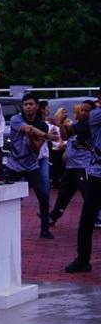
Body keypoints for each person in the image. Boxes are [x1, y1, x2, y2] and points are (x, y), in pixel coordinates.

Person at [5, 93, 52, 239]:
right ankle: (5, 227)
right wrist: (45, 136)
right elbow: (27, 129)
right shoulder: (16, 119)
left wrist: (33, 137)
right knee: (7, 196)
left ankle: (45, 229)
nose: (28, 107)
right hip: (14, 164)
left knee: (43, 195)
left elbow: (37, 148)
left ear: (37, 106)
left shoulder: (42, 125)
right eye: (25, 104)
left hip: (31, 165)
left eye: (31, 104)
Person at [65, 99, 100, 273]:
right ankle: (83, 260)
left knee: (87, 220)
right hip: (97, 175)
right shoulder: (95, 116)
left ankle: (83, 260)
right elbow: (70, 130)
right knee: (87, 220)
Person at [50, 101, 94, 226]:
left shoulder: (88, 125)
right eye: (82, 110)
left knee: (88, 193)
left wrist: (58, 122)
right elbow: (65, 137)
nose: (83, 113)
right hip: (71, 166)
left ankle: (97, 217)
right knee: (64, 193)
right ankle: (53, 216)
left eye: (86, 110)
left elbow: (69, 131)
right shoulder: (78, 124)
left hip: (83, 166)